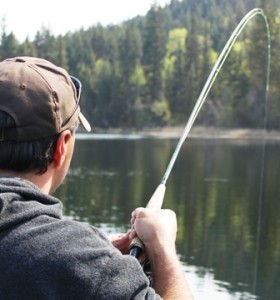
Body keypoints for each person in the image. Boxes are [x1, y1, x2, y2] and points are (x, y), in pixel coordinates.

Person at [0, 56, 194, 299]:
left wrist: (94, 258)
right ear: (63, 147)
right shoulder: (85, 265)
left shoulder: (83, 261)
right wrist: (162, 247)